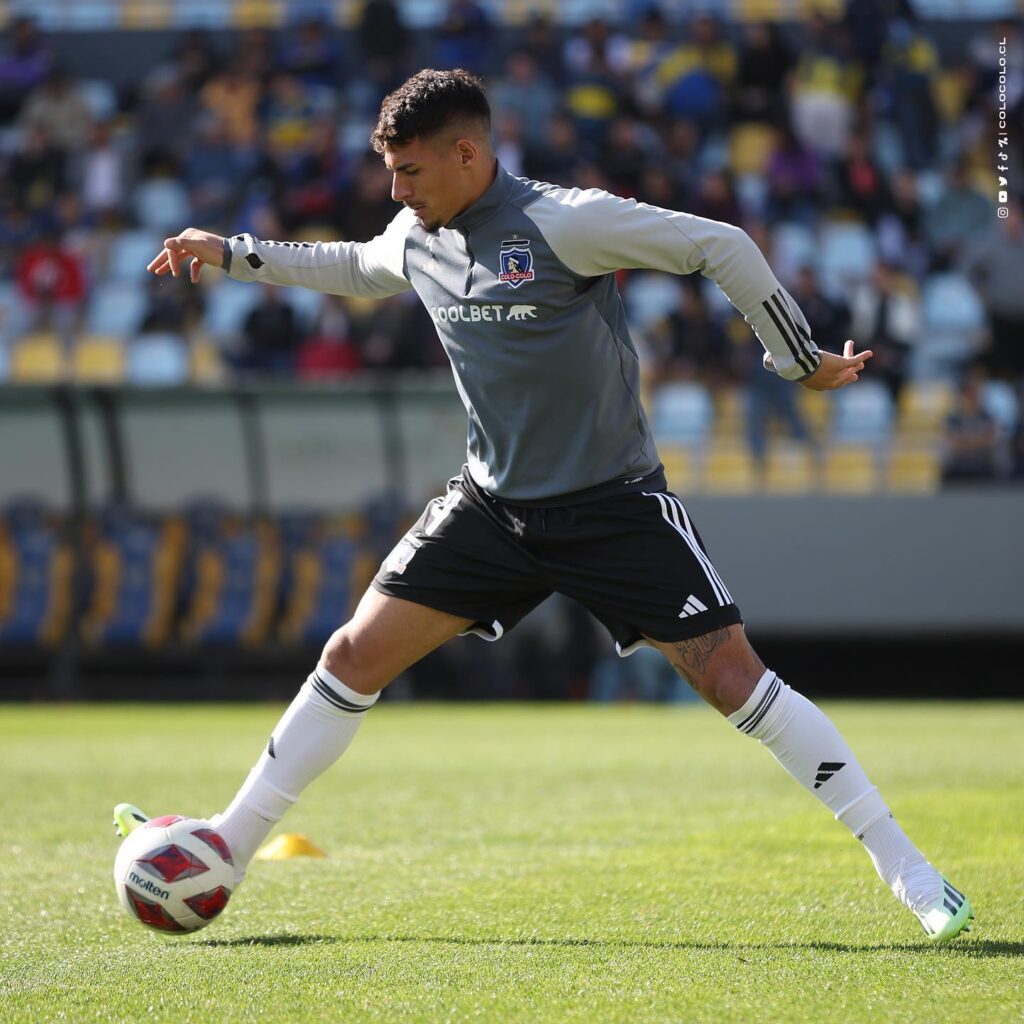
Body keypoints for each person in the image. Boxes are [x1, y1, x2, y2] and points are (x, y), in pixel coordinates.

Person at [123, 69, 972, 943]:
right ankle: (227, 844)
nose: (395, 190)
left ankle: (906, 868)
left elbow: (722, 243)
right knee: (352, 652)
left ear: (468, 154)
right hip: (491, 508)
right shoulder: (418, 235)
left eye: (410, 171)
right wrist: (229, 250)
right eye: (391, 173)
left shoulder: (566, 221)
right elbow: (352, 267)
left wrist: (795, 360)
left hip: (614, 508)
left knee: (732, 680)